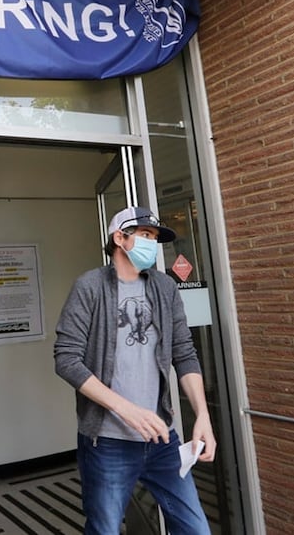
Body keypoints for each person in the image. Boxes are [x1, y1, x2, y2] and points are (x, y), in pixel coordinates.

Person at [53, 206, 215, 535]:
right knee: (106, 529)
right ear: (119, 239)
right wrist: (125, 409)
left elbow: (184, 352)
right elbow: (66, 359)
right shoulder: (90, 287)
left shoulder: (165, 287)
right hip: (108, 442)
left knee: (195, 528)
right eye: (145, 236)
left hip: (162, 439)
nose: (152, 245)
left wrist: (202, 416)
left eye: (155, 238)